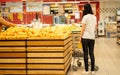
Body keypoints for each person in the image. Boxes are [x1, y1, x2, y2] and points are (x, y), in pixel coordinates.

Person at [80, 3, 97, 75]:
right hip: (92, 37)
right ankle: (92, 70)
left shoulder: (85, 17)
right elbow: (96, 28)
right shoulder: (94, 17)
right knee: (91, 53)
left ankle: (86, 70)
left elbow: (83, 28)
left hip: (85, 38)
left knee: (85, 54)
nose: (83, 10)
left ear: (86, 9)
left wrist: (80, 37)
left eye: (83, 8)